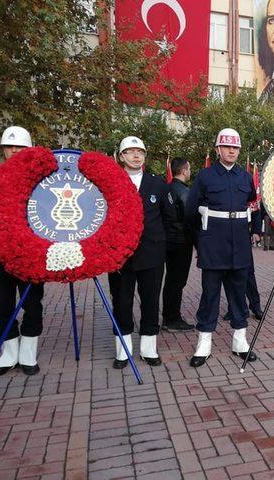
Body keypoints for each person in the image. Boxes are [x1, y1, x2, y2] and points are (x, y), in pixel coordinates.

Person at [185, 128, 258, 368]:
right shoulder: (205, 176)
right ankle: (204, 342)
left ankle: (240, 341)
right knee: (210, 296)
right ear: (217, 149)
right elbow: (191, 212)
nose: (231, 151)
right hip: (213, 246)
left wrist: (255, 232)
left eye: (235, 147)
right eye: (227, 147)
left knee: (238, 296)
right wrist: (201, 241)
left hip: (239, 247)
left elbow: (253, 206)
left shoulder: (246, 177)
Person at [108, 136, 173, 369]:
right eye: (131, 151)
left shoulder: (157, 184)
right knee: (122, 302)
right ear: (122, 156)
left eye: (140, 152)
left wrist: (163, 247)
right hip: (119, 257)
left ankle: (148, 349)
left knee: (150, 301)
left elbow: (169, 218)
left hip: (152, 255)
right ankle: (123, 351)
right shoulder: (111, 182)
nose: (136, 156)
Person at [0, 126, 46, 377]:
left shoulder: (42, 180)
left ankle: (28, 353)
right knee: (1, 305)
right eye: (10, 147)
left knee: (32, 305)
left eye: (20, 147)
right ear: (2, 150)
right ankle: (9, 353)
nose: (14, 151)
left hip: (30, 256)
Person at [162, 157, 195, 332]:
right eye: (189, 169)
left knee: (171, 280)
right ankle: (172, 319)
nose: (190, 172)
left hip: (168, 241)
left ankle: (169, 316)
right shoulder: (184, 192)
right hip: (182, 242)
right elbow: (190, 219)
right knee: (177, 281)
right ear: (183, 171)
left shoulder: (166, 189)